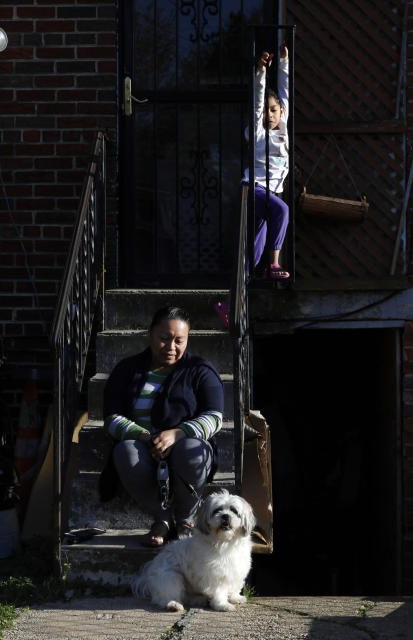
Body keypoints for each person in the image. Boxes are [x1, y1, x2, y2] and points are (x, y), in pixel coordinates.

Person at [101, 306, 223, 547]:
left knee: (192, 451)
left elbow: (214, 416)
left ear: (187, 340)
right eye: (164, 339)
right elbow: (112, 417)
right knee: (125, 452)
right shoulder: (127, 369)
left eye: (179, 341)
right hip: (143, 446)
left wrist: (178, 434)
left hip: (187, 446)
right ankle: (163, 518)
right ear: (150, 334)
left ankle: (186, 518)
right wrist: (146, 437)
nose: (171, 347)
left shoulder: (200, 370)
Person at [244, 43, 291, 280]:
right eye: (266, 111)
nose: (270, 115)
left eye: (273, 110)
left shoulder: (282, 127)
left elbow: (285, 93)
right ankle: (274, 264)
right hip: (253, 187)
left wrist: (283, 63)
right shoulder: (257, 133)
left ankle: (230, 298)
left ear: (281, 111)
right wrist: (261, 72)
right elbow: (258, 104)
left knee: (256, 245)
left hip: (271, 192)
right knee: (282, 210)